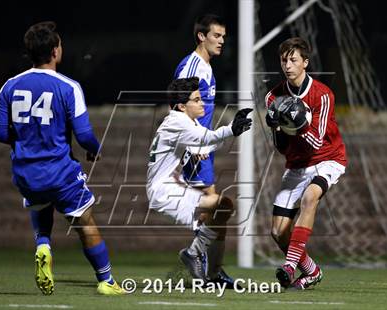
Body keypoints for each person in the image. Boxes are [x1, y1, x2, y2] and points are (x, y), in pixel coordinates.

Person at [0, 21, 125, 295]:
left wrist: (26, 141)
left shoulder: (10, 85)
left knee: (41, 208)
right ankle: (106, 281)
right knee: (85, 221)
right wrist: (95, 148)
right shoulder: (68, 87)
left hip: (26, 173)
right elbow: (84, 135)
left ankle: (43, 246)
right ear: (55, 51)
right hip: (60, 172)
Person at [147, 77, 252, 284]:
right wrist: (231, 129)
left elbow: (206, 144)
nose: (202, 103)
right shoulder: (177, 121)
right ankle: (194, 254)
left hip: (173, 186)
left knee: (222, 209)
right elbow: (206, 138)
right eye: (196, 100)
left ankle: (212, 273)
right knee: (221, 207)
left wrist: (227, 134)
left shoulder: (185, 121)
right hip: (165, 190)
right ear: (182, 106)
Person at [265, 37, 347, 290]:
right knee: (278, 233)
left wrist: (295, 121)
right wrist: (277, 128)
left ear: (305, 63)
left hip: (327, 159)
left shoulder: (322, 94)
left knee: (311, 197)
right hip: (297, 165)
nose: (288, 65)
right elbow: (281, 148)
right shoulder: (273, 97)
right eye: (284, 60)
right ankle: (311, 271)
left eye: (293, 60)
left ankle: (289, 266)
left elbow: (315, 141)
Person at [173, 14, 232, 285]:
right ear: (201, 36)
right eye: (216, 36)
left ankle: (212, 270)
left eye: (222, 36)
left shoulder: (206, 66)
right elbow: (177, 104)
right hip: (193, 150)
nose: (221, 41)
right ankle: (199, 260)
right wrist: (191, 143)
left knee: (215, 209)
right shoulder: (193, 67)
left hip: (202, 147)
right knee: (217, 206)